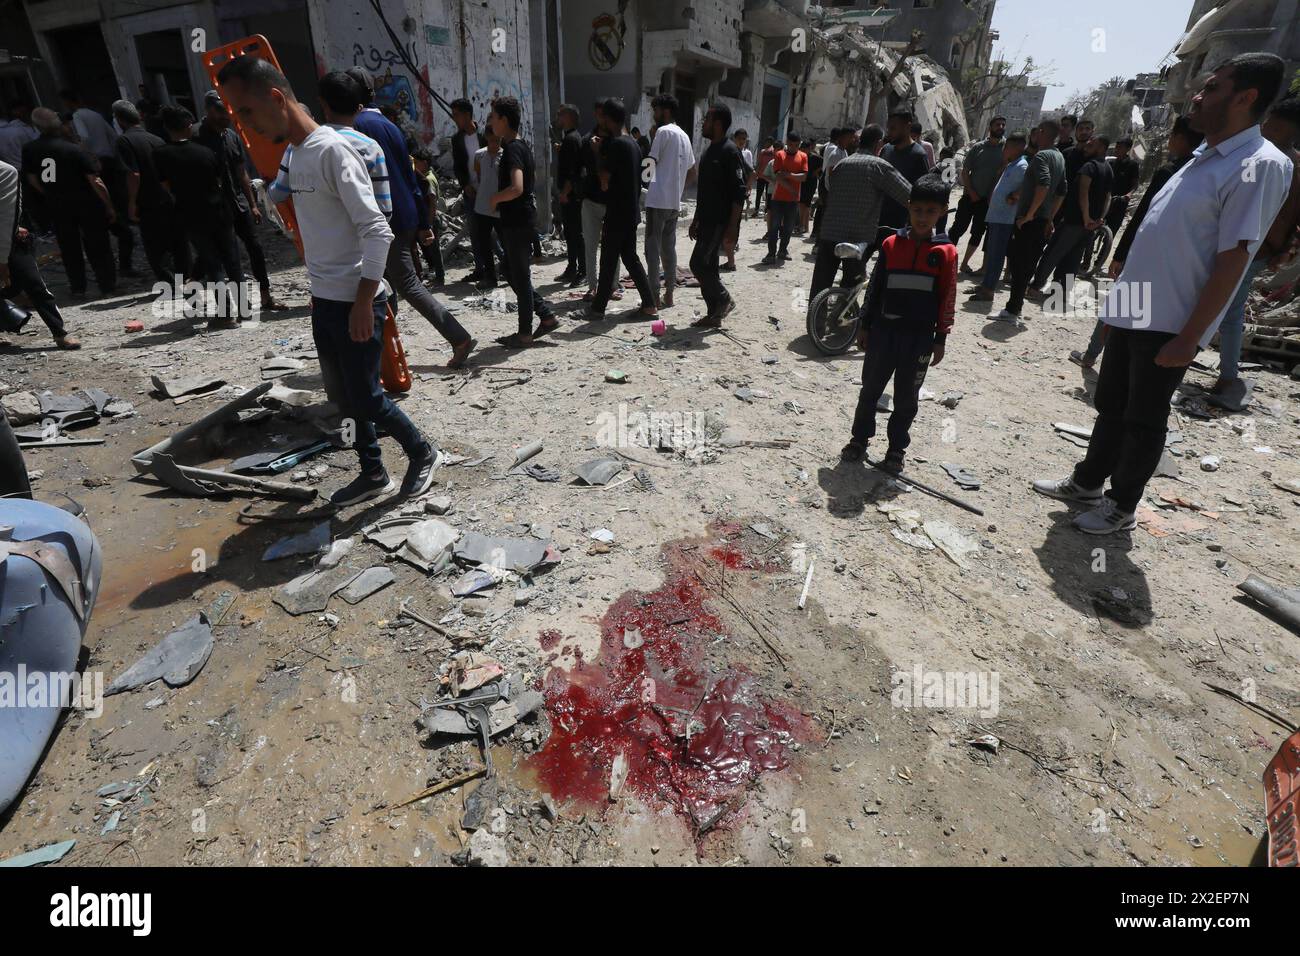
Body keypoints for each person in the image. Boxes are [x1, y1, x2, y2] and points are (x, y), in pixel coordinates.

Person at [1033, 53, 1292, 535]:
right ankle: (1088, 482)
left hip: (1171, 320)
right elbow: (1158, 236)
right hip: (1135, 307)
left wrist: (1192, 337)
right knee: (1110, 405)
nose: (1197, 95)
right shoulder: (1201, 158)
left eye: (1212, 87)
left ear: (1246, 97)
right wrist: (1115, 307)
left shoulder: (1259, 165)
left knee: (1144, 419)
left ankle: (1121, 505)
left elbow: (1233, 258)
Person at [217, 54, 438, 507]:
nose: (246, 126)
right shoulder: (296, 155)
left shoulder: (334, 151)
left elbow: (377, 230)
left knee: (368, 398)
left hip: (358, 302)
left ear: (277, 98)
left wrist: (361, 302)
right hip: (326, 300)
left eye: (248, 112)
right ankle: (373, 472)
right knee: (345, 398)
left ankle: (422, 452)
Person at [352, 73, 474, 368]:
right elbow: (410, 177)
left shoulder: (357, 128)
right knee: (387, 283)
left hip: (384, 217)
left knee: (403, 282)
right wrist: (422, 223)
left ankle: (458, 337)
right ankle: (387, 352)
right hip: (404, 214)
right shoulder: (391, 127)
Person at [840, 175, 957, 473]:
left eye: (930, 211)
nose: (922, 217)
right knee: (870, 390)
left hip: (918, 339)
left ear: (942, 211)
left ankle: (895, 450)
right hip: (883, 333)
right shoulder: (892, 244)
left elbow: (947, 297)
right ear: (908, 207)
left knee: (906, 399)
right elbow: (875, 287)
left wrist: (940, 337)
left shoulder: (946, 253)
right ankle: (859, 440)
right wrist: (864, 325)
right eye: (917, 210)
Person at [1071, 118, 1206, 369]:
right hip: (1179, 261)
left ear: (1177, 138)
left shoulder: (1170, 171)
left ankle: (1092, 355)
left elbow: (1145, 215)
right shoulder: (1206, 172)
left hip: (1147, 255)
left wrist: (1120, 254)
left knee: (1118, 307)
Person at [1210, 95, 1300, 400]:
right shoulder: (1291, 162)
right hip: (1260, 250)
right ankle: (1227, 374)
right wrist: (1283, 251)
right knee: (1228, 310)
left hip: (1242, 246)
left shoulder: (1260, 155)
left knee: (1224, 309)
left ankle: (1226, 375)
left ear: (1274, 120)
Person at [193, 91, 285, 312]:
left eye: (228, 110)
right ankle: (198, 288)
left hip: (238, 202)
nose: (226, 115)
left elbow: (241, 172)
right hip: (213, 207)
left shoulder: (231, 136)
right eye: (220, 111)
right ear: (208, 110)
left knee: (255, 247)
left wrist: (253, 204)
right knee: (221, 254)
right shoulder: (196, 135)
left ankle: (265, 297)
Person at [155, 106, 244, 326]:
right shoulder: (205, 152)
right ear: (188, 126)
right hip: (220, 212)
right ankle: (244, 310)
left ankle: (225, 315)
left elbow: (166, 187)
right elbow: (220, 181)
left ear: (166, 128)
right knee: (233, 262)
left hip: (192, 216)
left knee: (213, 265)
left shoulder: (160, 155)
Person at [21, 107, 117, 297]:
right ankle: (106, 285)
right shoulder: (72, 149)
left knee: (68, 247)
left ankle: (78, 287)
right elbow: (94, 179)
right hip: (85, 202)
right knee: (97, 245)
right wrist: (108, 204)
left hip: (57, 203)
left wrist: (49, 191)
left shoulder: (30, 149)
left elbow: (32, 178)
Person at [809, 123, 911, 300]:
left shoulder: (842, 164)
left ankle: (815, 321)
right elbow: (907, 193)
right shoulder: (879, 166)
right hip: (856, 236)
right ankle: (843, 322)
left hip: (829, 232)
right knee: (852, 283)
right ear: (879, 143)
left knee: (820, 283)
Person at [486, 95, 556, 348]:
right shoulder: (520, 146)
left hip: (517, 221)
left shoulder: (514, 149)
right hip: (519, 220)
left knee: (520, 276)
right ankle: (546, 316)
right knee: (509, 270)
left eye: (493, 117)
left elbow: (517, 187)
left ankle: (525, 332)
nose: (491, 122)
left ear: (504, 120)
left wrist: (495, 198)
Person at [588, 97, 656, 318]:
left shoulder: (617, 144)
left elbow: (604, 179)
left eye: (602, 118)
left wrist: (597, 152)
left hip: (618, 211)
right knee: (629, 257)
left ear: (608, 119)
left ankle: (597, 309)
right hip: (629, 211)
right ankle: (649, 304)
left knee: (609, 259)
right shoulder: (633, 144)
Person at [0, 159, 79, 348]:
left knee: (35, 284)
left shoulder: (5, 172)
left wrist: (2, 260)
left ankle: (59, 332)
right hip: (8, 233)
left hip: (8, 238)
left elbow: (6, 214)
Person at [112, 99, 190, 287]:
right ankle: (186, 278)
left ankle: (169, 284)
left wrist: (132, 202)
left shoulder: (124, 141)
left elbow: (134, 174)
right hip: (166, 198)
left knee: (156, 246)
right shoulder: (156, 139)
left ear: (120, 120)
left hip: (147, 201)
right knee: (177, 242)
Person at [1028, 135, 1112, 301]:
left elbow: (1083, 193)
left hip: (1075, 221)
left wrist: (1086, 217)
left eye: (1092, 144)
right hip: (1090, 225)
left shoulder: (1089, 167)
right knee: (1073, 259)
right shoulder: (1108, 169)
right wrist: (1099, 219)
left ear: (1101, 148)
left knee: (1053, 253)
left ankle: (1035, 287)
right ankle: (1060, 293)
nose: (1087, 145)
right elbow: (1108, 197)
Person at [61, 89, 135, 276]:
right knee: (120, 220)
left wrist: (87, 155)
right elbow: (113, 137)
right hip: (109, 163)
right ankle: (124, 264)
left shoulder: (77, 118)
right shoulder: (95, 115)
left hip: (96, 168)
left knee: (104, 227)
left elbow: (84, 138)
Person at [997, 120, 1064, 323]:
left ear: (1042, 133)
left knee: (1019, 265)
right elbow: (1061, 191)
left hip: (1030, 222)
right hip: (1042, 221)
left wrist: (1029, 215)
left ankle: (1012, 310)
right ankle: (1014, 308)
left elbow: (1044, 185)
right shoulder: (1059, 157)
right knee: (1027, 266)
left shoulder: (1042, 156)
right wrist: (1049, 218)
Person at [687, 103, 747, 329]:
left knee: (697, 263)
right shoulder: (709, 151)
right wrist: (695, 219)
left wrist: (732, 228)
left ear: (718, 124)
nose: (704, 123)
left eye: (708, 120)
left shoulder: (730, 151)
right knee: (709, 267)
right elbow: (704, 192)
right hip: (706, 221)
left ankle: (723, 299)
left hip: (719, 222)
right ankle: (714, 315)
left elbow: (738, 193)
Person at [644, 94, 696, 308]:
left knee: (652, 250)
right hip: (674, 202)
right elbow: (693, 171)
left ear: (664, 111)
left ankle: (654, 295)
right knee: (669, 249)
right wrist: (678, 187)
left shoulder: (662, 132)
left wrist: (646, 184)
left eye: (655, 110)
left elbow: (650, 162)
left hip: (657, 201)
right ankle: (669, 294)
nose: (654, 115)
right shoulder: (683, 134)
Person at [967, 132, 1029, 302]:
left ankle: (988, 291)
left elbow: (1028, 186)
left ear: (1016, 148)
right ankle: (986, 285)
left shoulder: (1022, 166)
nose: (1003, 150)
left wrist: (1014, 196)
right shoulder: (1012, 164)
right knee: (992, 253)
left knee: (996, 255)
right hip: (997, 216)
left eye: (1006, 146)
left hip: (1004, 218)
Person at [950, 117, 1007, 275]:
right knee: (957, 229)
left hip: (987, 202)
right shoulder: (978, 148)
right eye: (997, 124)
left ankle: (964, 264)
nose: (1000, 127)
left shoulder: (1006, 149)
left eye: (1003, 125)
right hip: (970, 197)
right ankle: (947, 260)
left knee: (978, 233)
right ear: (990, 127)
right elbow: (965, 171)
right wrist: (972, 192)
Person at [580, 101, 620, 301]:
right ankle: (592, 286)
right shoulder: (588, 140)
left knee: (613, 246)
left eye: (604, 115)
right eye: (598, 115)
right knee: (590, 245)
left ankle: (613, 285)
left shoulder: (617, 140)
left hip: (611, 202)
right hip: (591, 200)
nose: (601, 119)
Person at [448, 97, 489, 283]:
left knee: (493, 231)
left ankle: (503, 265)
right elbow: (458, 166)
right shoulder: (457, 140)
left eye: (456, 115)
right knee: (475, 231)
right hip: (472, 191)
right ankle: (481, 268)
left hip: (490, 190)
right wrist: (465, 185)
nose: (454, 119)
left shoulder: (486, 135)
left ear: (466, 115)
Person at [879, 110, 930, 230]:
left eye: (893, 128)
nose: (889, 132)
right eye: (888, 128)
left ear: (907, 127)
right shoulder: (886, 149)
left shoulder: (918, 155)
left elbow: (921, 191)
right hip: (879, 217)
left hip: (902, 221)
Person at [761, 130, 806, 265]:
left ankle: (783, 250)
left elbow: (803, 177)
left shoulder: (803, 156)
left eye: (796, 145)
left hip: (793, 200)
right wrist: (792, 187)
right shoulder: (780, 154)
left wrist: (789, 174)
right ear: (787, 143)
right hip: (778, 198)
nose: (794, 147)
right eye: (791, 144)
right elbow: (778, 176)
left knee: (788, 227)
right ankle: (771, 253)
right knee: (774, 227)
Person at [554, 103, 585, 287]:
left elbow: (574, 171)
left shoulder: (572, 139)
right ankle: (572, 268)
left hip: (572, 196)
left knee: (576, 234)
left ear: (568, 117)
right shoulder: (569, 139)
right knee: (571, 233)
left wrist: (565, 192)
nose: (558, 118)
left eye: (560, 115)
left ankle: (582, 270)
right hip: (570, 194)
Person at [410, 147, 445, 286]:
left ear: (424, 163)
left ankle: (440, 276)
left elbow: (432, 202)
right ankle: (434, 272)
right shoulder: (426, 176)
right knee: (428, 248)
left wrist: (428, 223)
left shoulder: (427, 179)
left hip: (430, 220)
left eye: (416, 163)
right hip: (426, 219)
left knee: (434, 250)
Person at [724, 128, 754, 271]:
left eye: (744, 139)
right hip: (734, 197)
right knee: (732, 227)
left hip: (734, 199)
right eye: (740, 139)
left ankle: (730, 263)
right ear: (734, 138)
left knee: (731, 226)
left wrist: (746, 189)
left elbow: (753, 173)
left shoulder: (737, 154)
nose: (742, 141)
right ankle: (730, 261)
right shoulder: (736, 153)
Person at [799, 140, 821, 236]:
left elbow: (823, 163)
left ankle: (804, 226)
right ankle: (802, 226)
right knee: (801, 204)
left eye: (805, 149)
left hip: (811, 183)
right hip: (802, 182)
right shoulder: (801, 156)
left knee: (806, 205)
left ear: (809, 149)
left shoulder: (814, 157)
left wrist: (815, 172)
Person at [753, 138, 775, 218]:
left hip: (763, 176)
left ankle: (757, 210)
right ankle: (765, 211)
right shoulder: (773, 152)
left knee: (760, 194)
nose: (766, 143)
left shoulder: (763, 152)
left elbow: (759, 164)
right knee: (766, 194)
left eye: (767, 142)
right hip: (768, 177)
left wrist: (756, 174)